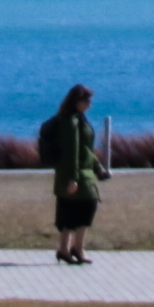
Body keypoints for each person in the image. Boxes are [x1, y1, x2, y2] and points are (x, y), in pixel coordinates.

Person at [37, 79, 108, 267]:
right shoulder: (71, 122)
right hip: (74, 174)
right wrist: (73, 178)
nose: (89, 105)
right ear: (77, 101)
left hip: (82, 172)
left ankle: (67, 249)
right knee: (79, 208)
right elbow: (72, 151)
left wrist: (99, 168)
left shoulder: (80, 119)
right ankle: (73, 248)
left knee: (75, 209)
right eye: (86, 101)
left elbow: (86, 150)